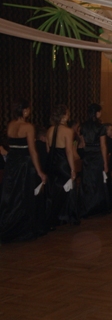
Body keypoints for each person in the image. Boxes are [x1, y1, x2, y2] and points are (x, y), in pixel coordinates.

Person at [0, 99, 47, 242]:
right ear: (25, 110)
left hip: (12, 163)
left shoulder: (10, 125)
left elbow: (10, 146)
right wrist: (39, 171)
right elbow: (32, 151)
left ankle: (8, 226)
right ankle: (23, 229)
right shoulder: (28, 127)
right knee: (24, 196)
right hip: (24, 165)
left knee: (11, 195)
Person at [46, 104, 79, 226]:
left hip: (52, 163)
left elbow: (48, 149)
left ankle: (54, 217)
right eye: (67, 114)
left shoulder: (49, 130)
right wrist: (73, 169)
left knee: (55, 191)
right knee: (69, 189)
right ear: (64, 116)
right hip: (63, 163)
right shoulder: (68, 131)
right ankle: (69, 217)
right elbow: (69, 151)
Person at [79, 103, 110, 217]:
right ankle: (97, 207)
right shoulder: (101, 127)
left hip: (87, 155)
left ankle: (86, 207)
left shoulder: (82, 126)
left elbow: (82, 144)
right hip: (97, 155)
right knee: (98, 182)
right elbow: (103, 146)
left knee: (87, 182)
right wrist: (105, 162)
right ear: (97, 113)